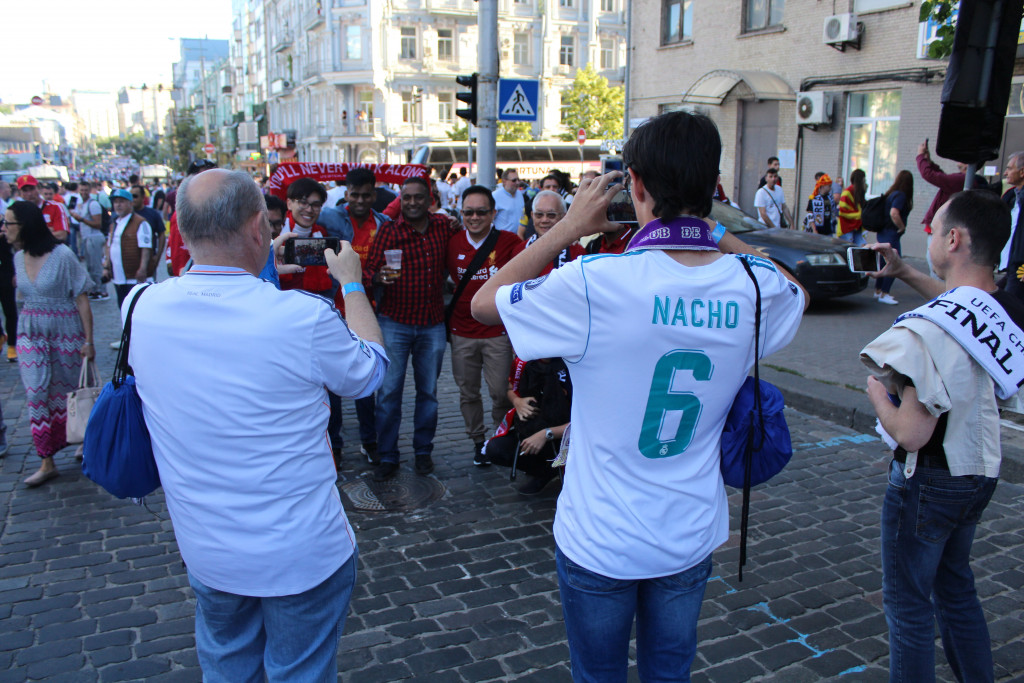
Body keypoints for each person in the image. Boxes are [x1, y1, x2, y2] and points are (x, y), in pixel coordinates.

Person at [472, 110, 807, 681]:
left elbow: (485, 304)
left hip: (600, 534)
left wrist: (567, 228)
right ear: (712, 187)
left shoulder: (594, 281)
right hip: (689, 529)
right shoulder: (752, 284)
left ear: (638, 187)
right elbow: (794, 285)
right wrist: (713, 229)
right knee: (669, 672)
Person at [127, 168, 388, 681]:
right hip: (298, 553)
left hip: (207, 548)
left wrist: (265, 265)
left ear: (181, 229)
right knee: (299, 672)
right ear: (257, 228)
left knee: (227, 667)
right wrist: (352, 284)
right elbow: (369, 371)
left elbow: (229, 309)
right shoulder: (301, 316)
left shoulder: (141, 305)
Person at [861, 190, 1021, 683]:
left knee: (909, 611)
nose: (926, 234)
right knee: (956, 591)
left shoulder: (926, 331)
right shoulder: (1007, 310)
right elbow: (964, 307)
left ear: (954, 239)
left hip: (928, 478)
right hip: (980, 472)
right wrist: (905, 271)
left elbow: (911, 432)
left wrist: (874, 393)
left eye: (933, 229)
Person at [364, 177, 457, 481]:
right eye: (407, 198)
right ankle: (388, 455)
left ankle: (423, 452)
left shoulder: (444, 226)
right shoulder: (389, 230)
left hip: (431, 324)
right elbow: (367, 272)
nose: (413, 203)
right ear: (400, 200)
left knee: (428, 393)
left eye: (419, 197)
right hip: (395, 323)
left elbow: (461, 232)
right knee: (389, 393)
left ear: (430, 199)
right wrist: (379, 278)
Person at [3, 201, 94, 487]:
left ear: (25, 225)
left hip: (65, 330)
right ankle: (47, 460)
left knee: (71, 389)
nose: (4, 229)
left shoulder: (63, 255)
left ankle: (82, 439)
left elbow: (81, 298)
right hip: (30, 331)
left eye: (9, 223)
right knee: (36, 392)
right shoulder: (17, 257)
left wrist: (89, 341)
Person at [446, 185, 522, 466]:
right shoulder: (451, 242)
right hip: (461, 332)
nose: (474, 217)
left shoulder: (510, 242)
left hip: (497, 332)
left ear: (493, 213)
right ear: (461, 213)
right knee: (468, 393)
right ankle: (478, 442)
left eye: (481, 212)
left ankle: (498, 439)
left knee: (500, 392)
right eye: (468, 212)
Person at [323, 167, 389, 464]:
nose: (360, 200)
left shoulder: (384, 223)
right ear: (345, 194)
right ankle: (334, 443)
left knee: (366, 375)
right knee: (332, 382)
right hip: (331, 308)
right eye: (354, 194)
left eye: (366, 195)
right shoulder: (330, 219)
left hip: (367, 309)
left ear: (374, 195)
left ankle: (369, 440)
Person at [484, 354, 571, 495]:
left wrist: (547, 434)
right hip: (534, 427)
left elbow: (586, 422)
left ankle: (566, 469)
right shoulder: (523, 361)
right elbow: (511, 388)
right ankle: (546, 471)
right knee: (496, 450)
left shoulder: (573, 364)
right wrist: (517, 402)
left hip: (568, 436)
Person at [916, 139, 987, 277]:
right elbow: (942, 178)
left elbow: (931, 176)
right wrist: (928, 161)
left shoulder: (962, 180)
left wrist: (920, 157)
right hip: (942, 230)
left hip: (942, 232)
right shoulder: (963, 180)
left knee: (937, 271)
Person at [103, 188, 153, 309]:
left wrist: (142, 268)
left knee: (136, 308)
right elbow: (109, 246)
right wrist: (106, 266)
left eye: (122, 202)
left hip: (133, 277)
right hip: (118, 276)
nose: (118, 205)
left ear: (130, 203)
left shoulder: (140, 223)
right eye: (116, 202)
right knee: (123, 307)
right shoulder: (114, 223)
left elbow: (145, 248)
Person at [874, 170, 914, 305]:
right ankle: (884, 293)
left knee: (882, 262)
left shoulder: (891, 193)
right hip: (891, 233)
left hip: (882, 232)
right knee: (894, 261)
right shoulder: (901, 196)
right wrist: (901, 227)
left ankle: (878, 290)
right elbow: (894, 213)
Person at [526, 190, 584, 274]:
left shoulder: (577, 252)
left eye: (551, 215)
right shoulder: (520, 249)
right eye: (539, 215)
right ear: (532, 216)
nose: (544, 220)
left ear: (563, 217)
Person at [998, 151, 1024, 298]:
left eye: (1009, 168)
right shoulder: (1011, 196)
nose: (1005, 172)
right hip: (1011, 265)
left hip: (1021, 268)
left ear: (1022, 172)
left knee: (1011, 309)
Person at [17, 175, 68, 242]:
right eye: (25, 190)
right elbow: (17, 239)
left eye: (32, 189)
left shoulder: (56, 207)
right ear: (20, 193)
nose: (29, 194)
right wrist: (47, 230)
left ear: (39, 188)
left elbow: (61, 235)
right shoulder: (18, 211)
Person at [132, 185, 166, 281]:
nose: (132, 199)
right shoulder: (126, 215)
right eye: (130, 196)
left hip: (148, 262)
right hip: (129, 263)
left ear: (143, 197)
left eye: (135, 196)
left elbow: (162, 235)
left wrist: (158, 256)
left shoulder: (152, 214)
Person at [838, 169, 867, 246]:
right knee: (847, 252)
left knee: (861, 247)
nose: (865, 183)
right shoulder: (847, 193)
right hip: (846, 228)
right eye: (864, 180)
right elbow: (842, 212)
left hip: (856, 227)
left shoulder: (858, 193)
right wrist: (860, 214)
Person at [492, 168, 525, 234]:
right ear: (504, 181)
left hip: (518, 238)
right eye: (514, 180)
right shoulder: (495, 196)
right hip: (502, 239)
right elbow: (489, 220)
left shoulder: (520, 194)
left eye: (518, 180)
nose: (517, 183)